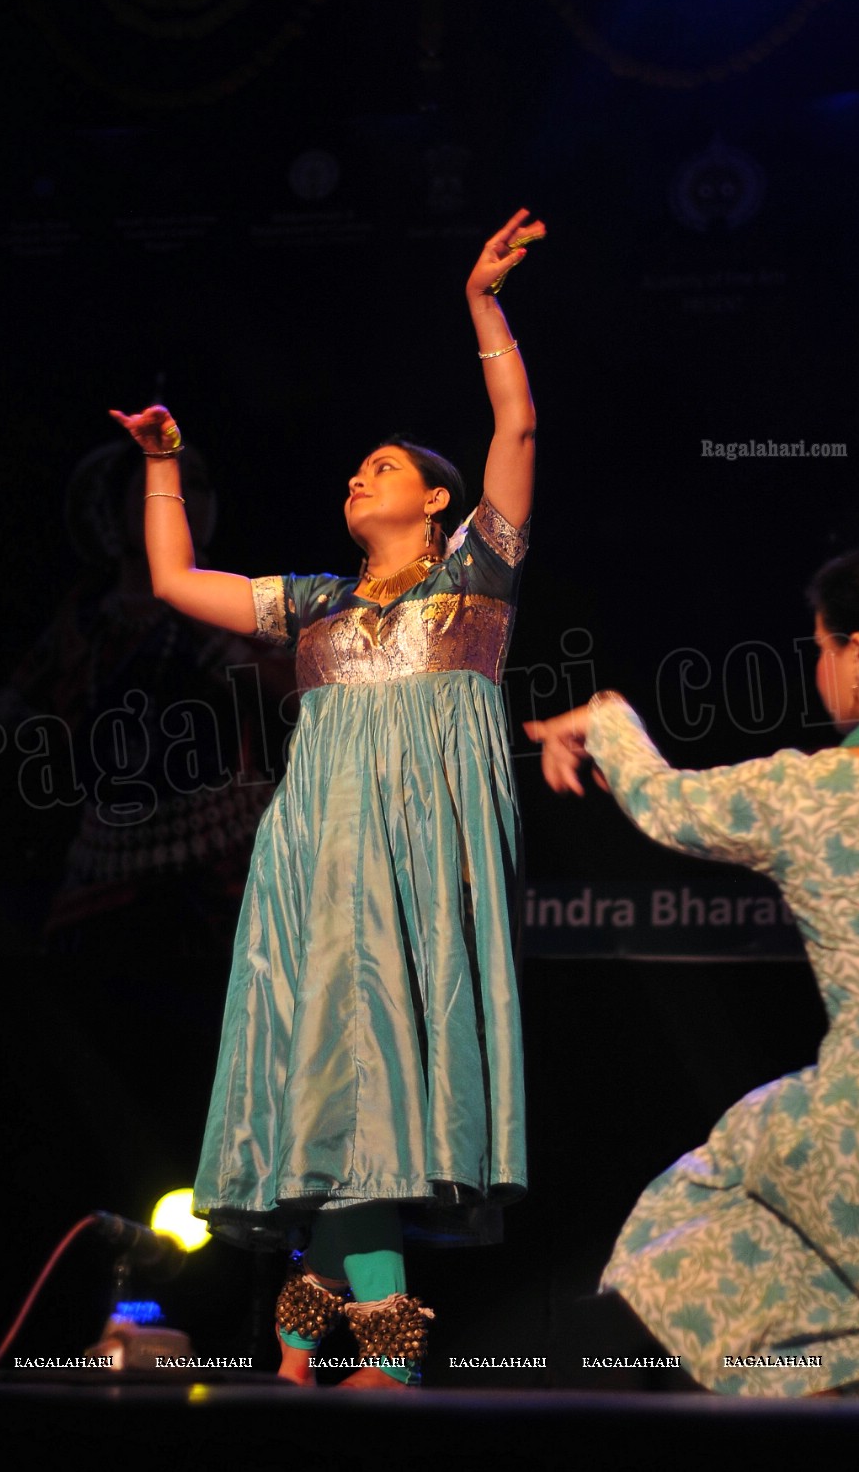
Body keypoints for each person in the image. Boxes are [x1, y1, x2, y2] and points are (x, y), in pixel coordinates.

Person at [110, 208, 542, 1387]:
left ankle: (370, 1360)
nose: (360, 474)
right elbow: (169, 577)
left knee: (374, 1092)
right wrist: (161, 468)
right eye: (357, 467)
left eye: (386, 467)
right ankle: (311, 1357)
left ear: (438, 507)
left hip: (419, 850)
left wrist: (481, 303)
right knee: (336, 1098)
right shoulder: (312, 605)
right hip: (317, 852)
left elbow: (516, 421)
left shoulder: (476, 581)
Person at [526, 545, 859, 1400]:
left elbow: (661, 802)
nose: (822, 671)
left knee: (699, 1230)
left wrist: (604, 715)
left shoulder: (804, 794)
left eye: (823, 649)